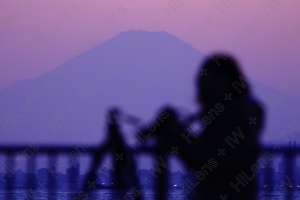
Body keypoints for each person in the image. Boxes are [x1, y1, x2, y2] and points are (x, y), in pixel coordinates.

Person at [144, 54, 264, 199]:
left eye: (210, 84)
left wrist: (177, 133)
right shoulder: (243, 111)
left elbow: (211, 162)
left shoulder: (233, 115)